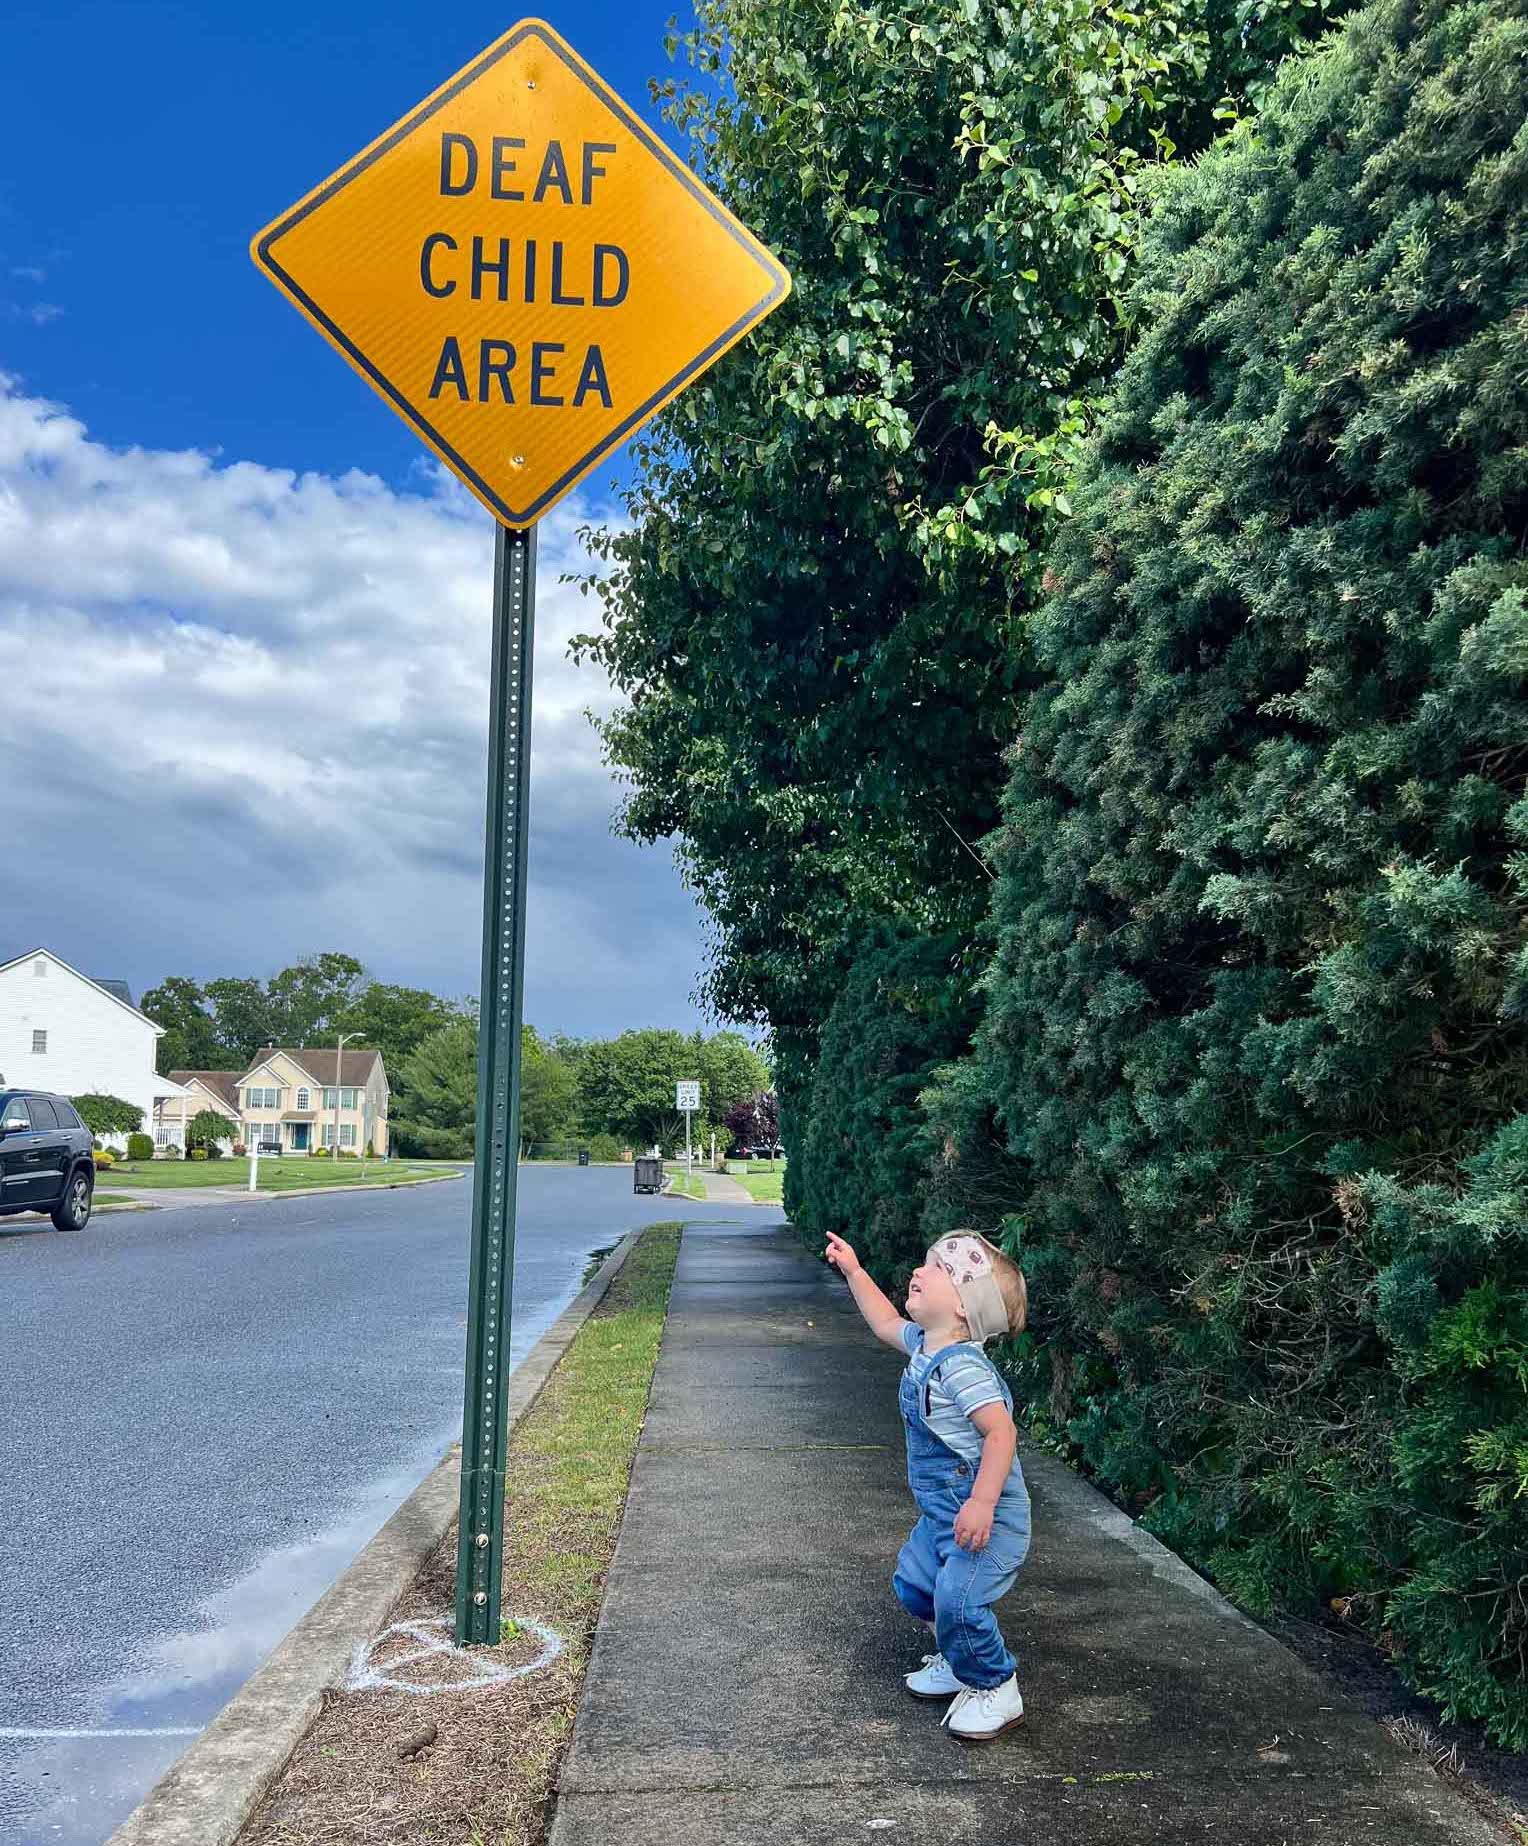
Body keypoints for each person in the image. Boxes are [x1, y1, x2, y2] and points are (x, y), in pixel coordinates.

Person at [824, 1227, 1030, 1741]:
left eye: (938, 1268)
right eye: (926, 1261)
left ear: (964, 1307)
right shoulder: (925, 1345)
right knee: (917, 1587)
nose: (920, 1271)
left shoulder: (964, 1368)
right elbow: (884, 1321)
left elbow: (1001, 1432)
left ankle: (995, 1685)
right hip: (944, 1514)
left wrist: (982, 1503)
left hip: (986, 1518)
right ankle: (958, 1659)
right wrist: (854, 1270)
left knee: (959, 1600)